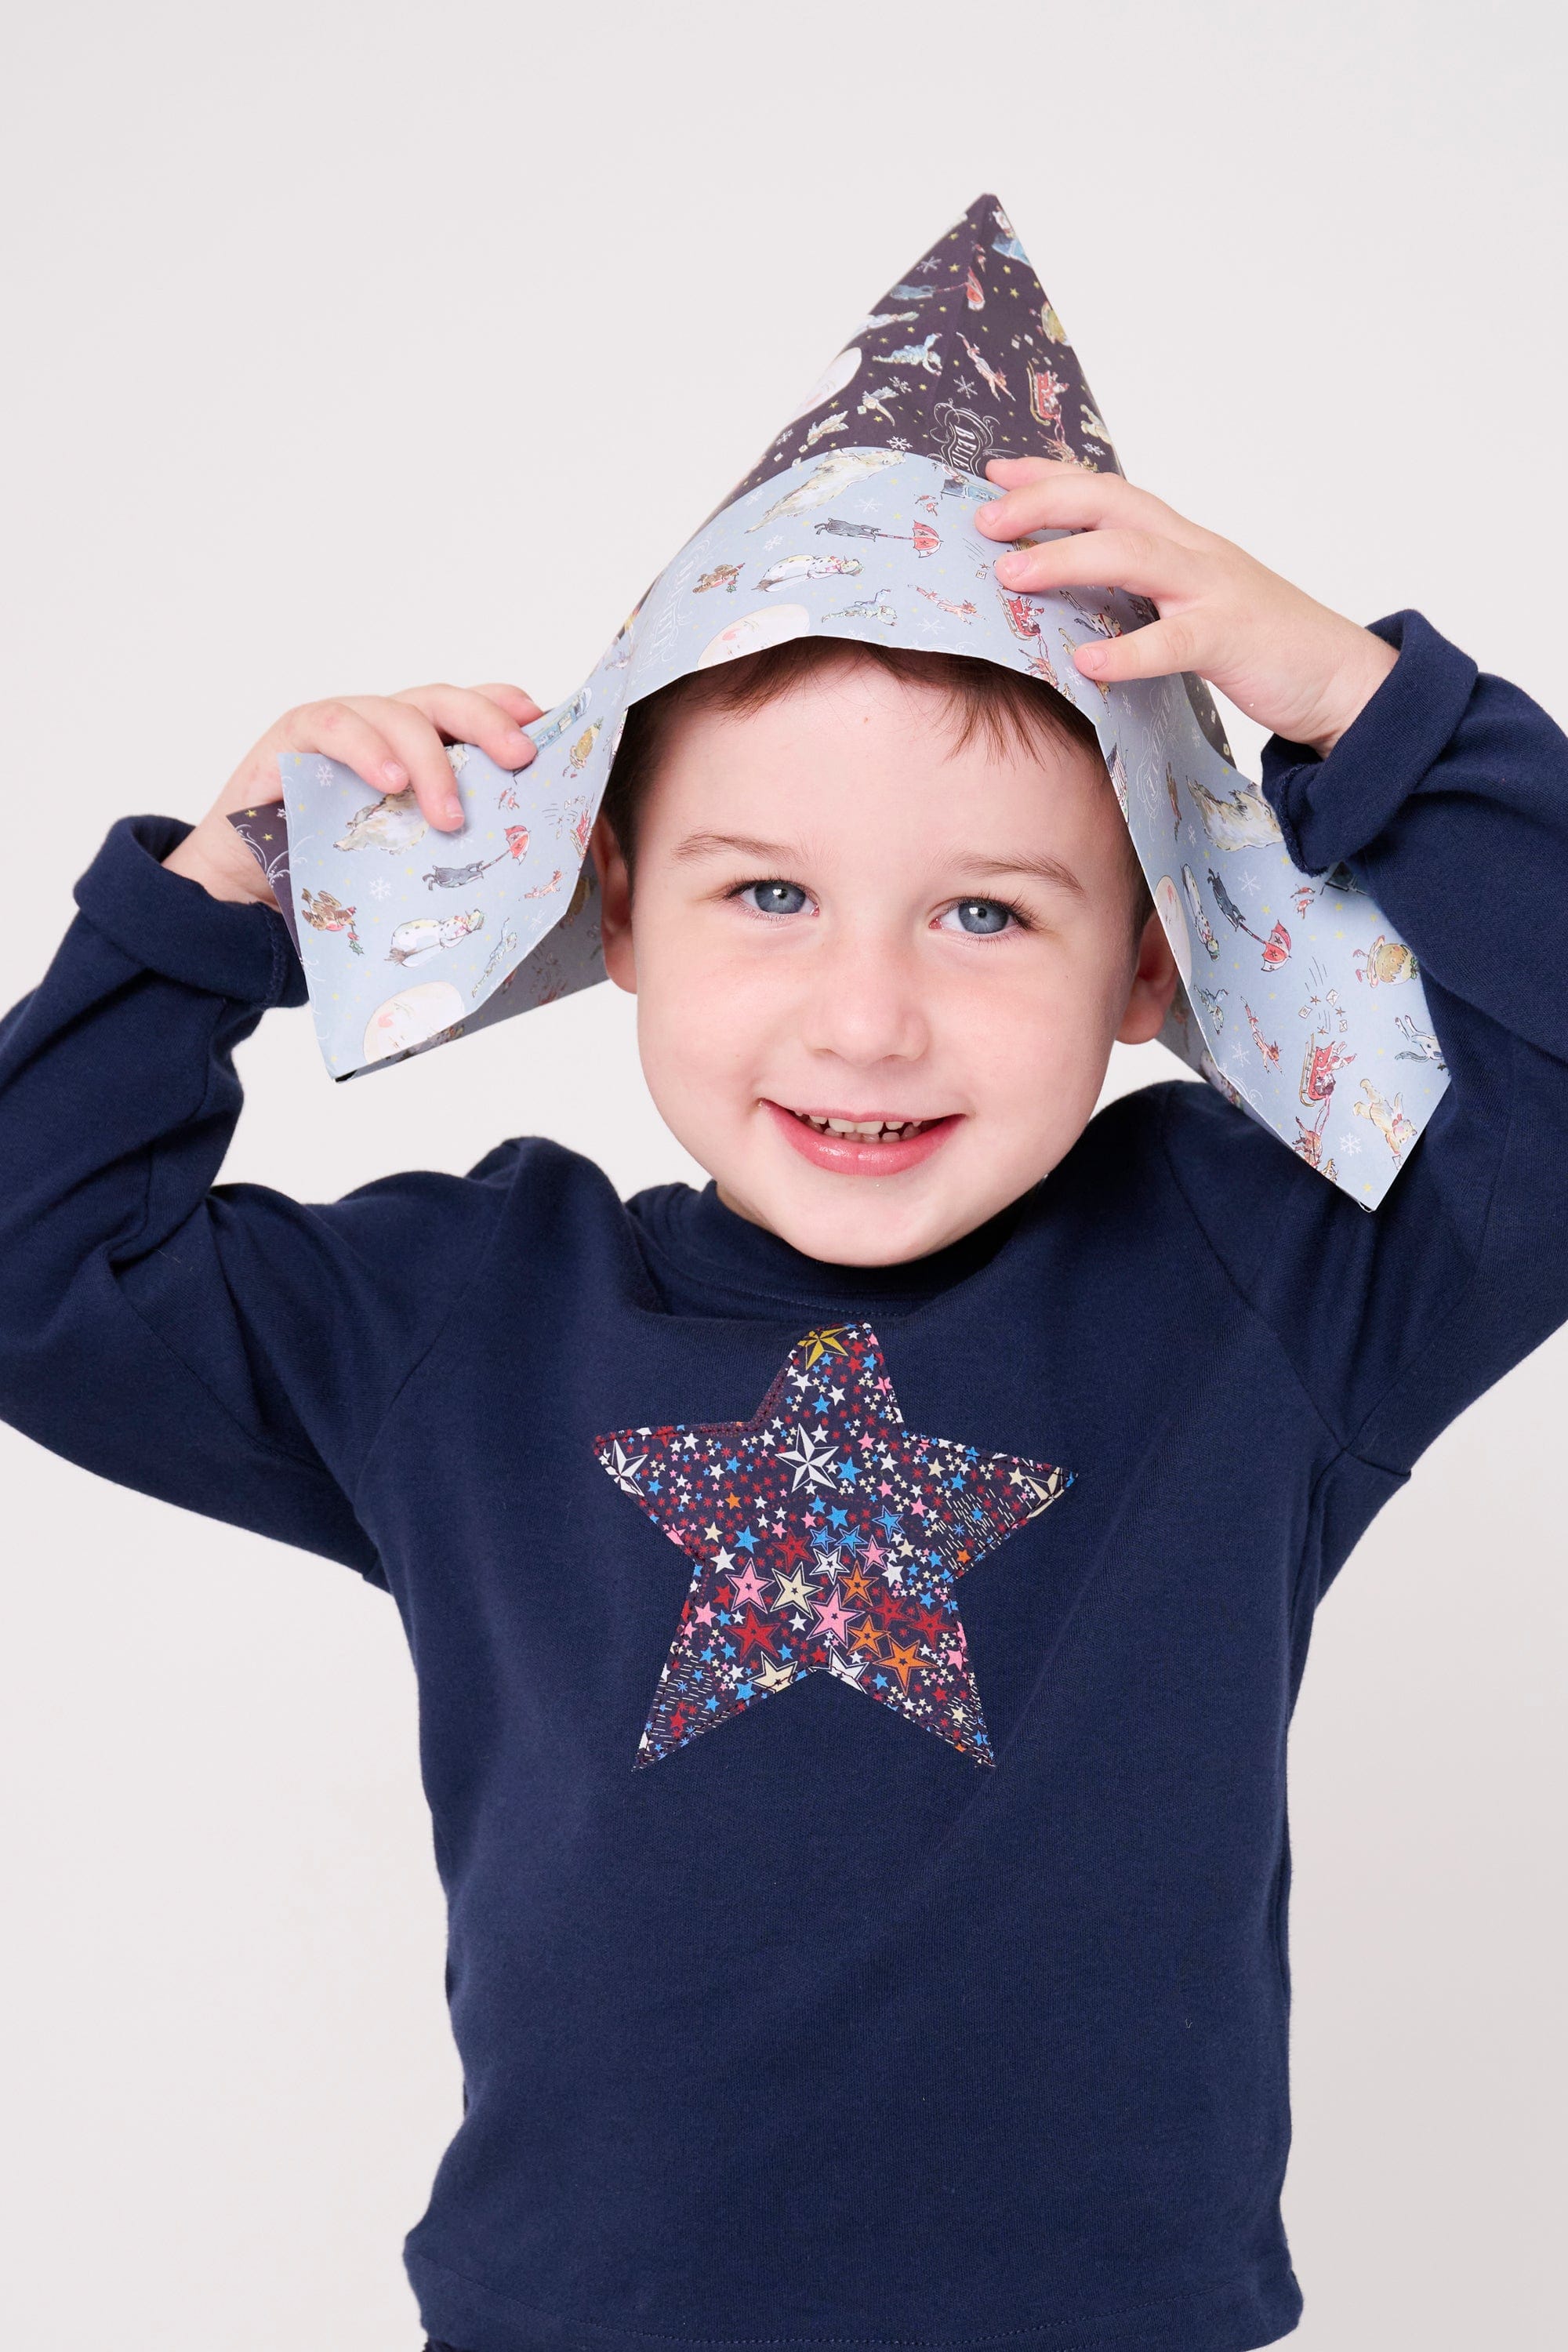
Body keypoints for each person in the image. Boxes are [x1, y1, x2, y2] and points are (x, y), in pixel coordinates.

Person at [2, 456, 1565, 2352]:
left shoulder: (1258, 1288)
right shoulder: (466, 1315)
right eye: (766, 895)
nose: (866, 1020)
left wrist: (1381, 718)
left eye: (984, 917)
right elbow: (39, 1267)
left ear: (1150, 954)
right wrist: (232, 899)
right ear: (619, 919)